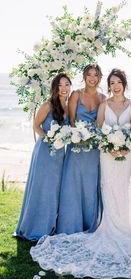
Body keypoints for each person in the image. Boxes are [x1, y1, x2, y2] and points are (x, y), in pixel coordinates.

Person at [30, 68, 131, 279]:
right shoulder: (103, 105)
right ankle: (106, 226)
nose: (115, 86)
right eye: (112, 83)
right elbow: (98, 130)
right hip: (106, 154)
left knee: (122, 188)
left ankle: (123, 226)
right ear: (109, 85)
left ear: (124, 84)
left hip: (126, 154)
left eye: (119, 82)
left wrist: (125, 147)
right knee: (107, 187)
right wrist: (109, 146)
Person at [15, 73, 72, 241]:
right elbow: (36, 126)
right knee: (41, 188)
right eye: (60, 85)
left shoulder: (69, 107)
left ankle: (50, 226)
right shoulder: (48, 105)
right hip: (45, 152)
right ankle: (34, 226)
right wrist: (49, 138)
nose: (63, 88)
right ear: (55, 87)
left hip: (60, 154)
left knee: (54, 190)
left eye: (66, 84)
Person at [56, 64, 105, 234]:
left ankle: (89, 223)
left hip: (93, 150)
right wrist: (79, 136)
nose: (92, 78)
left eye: (96, 75)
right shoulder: (76, 94)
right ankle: (71, 224)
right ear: (84, 77)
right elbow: (71, 120)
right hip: (77, 146)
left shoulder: (103, 98)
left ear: (99, 77)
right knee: (74, 184)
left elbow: (101, 123)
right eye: (89, 74)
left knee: (90, 185)